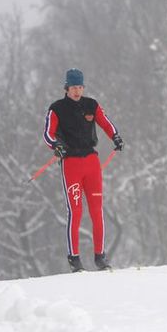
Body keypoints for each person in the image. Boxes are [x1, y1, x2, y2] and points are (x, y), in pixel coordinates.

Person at [43, 68, 124, 272]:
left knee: (97, 210)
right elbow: (48, 134)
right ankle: (74, 258)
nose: (77, 91)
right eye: (73, 87)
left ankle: (100, 256)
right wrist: (56, 145)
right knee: (76, 211)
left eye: (80, 87)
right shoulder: (57, 108)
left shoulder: (91, 105)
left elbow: (105, 123)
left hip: (91, 162)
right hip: (71, 164)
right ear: (66, 88)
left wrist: (115, 137)